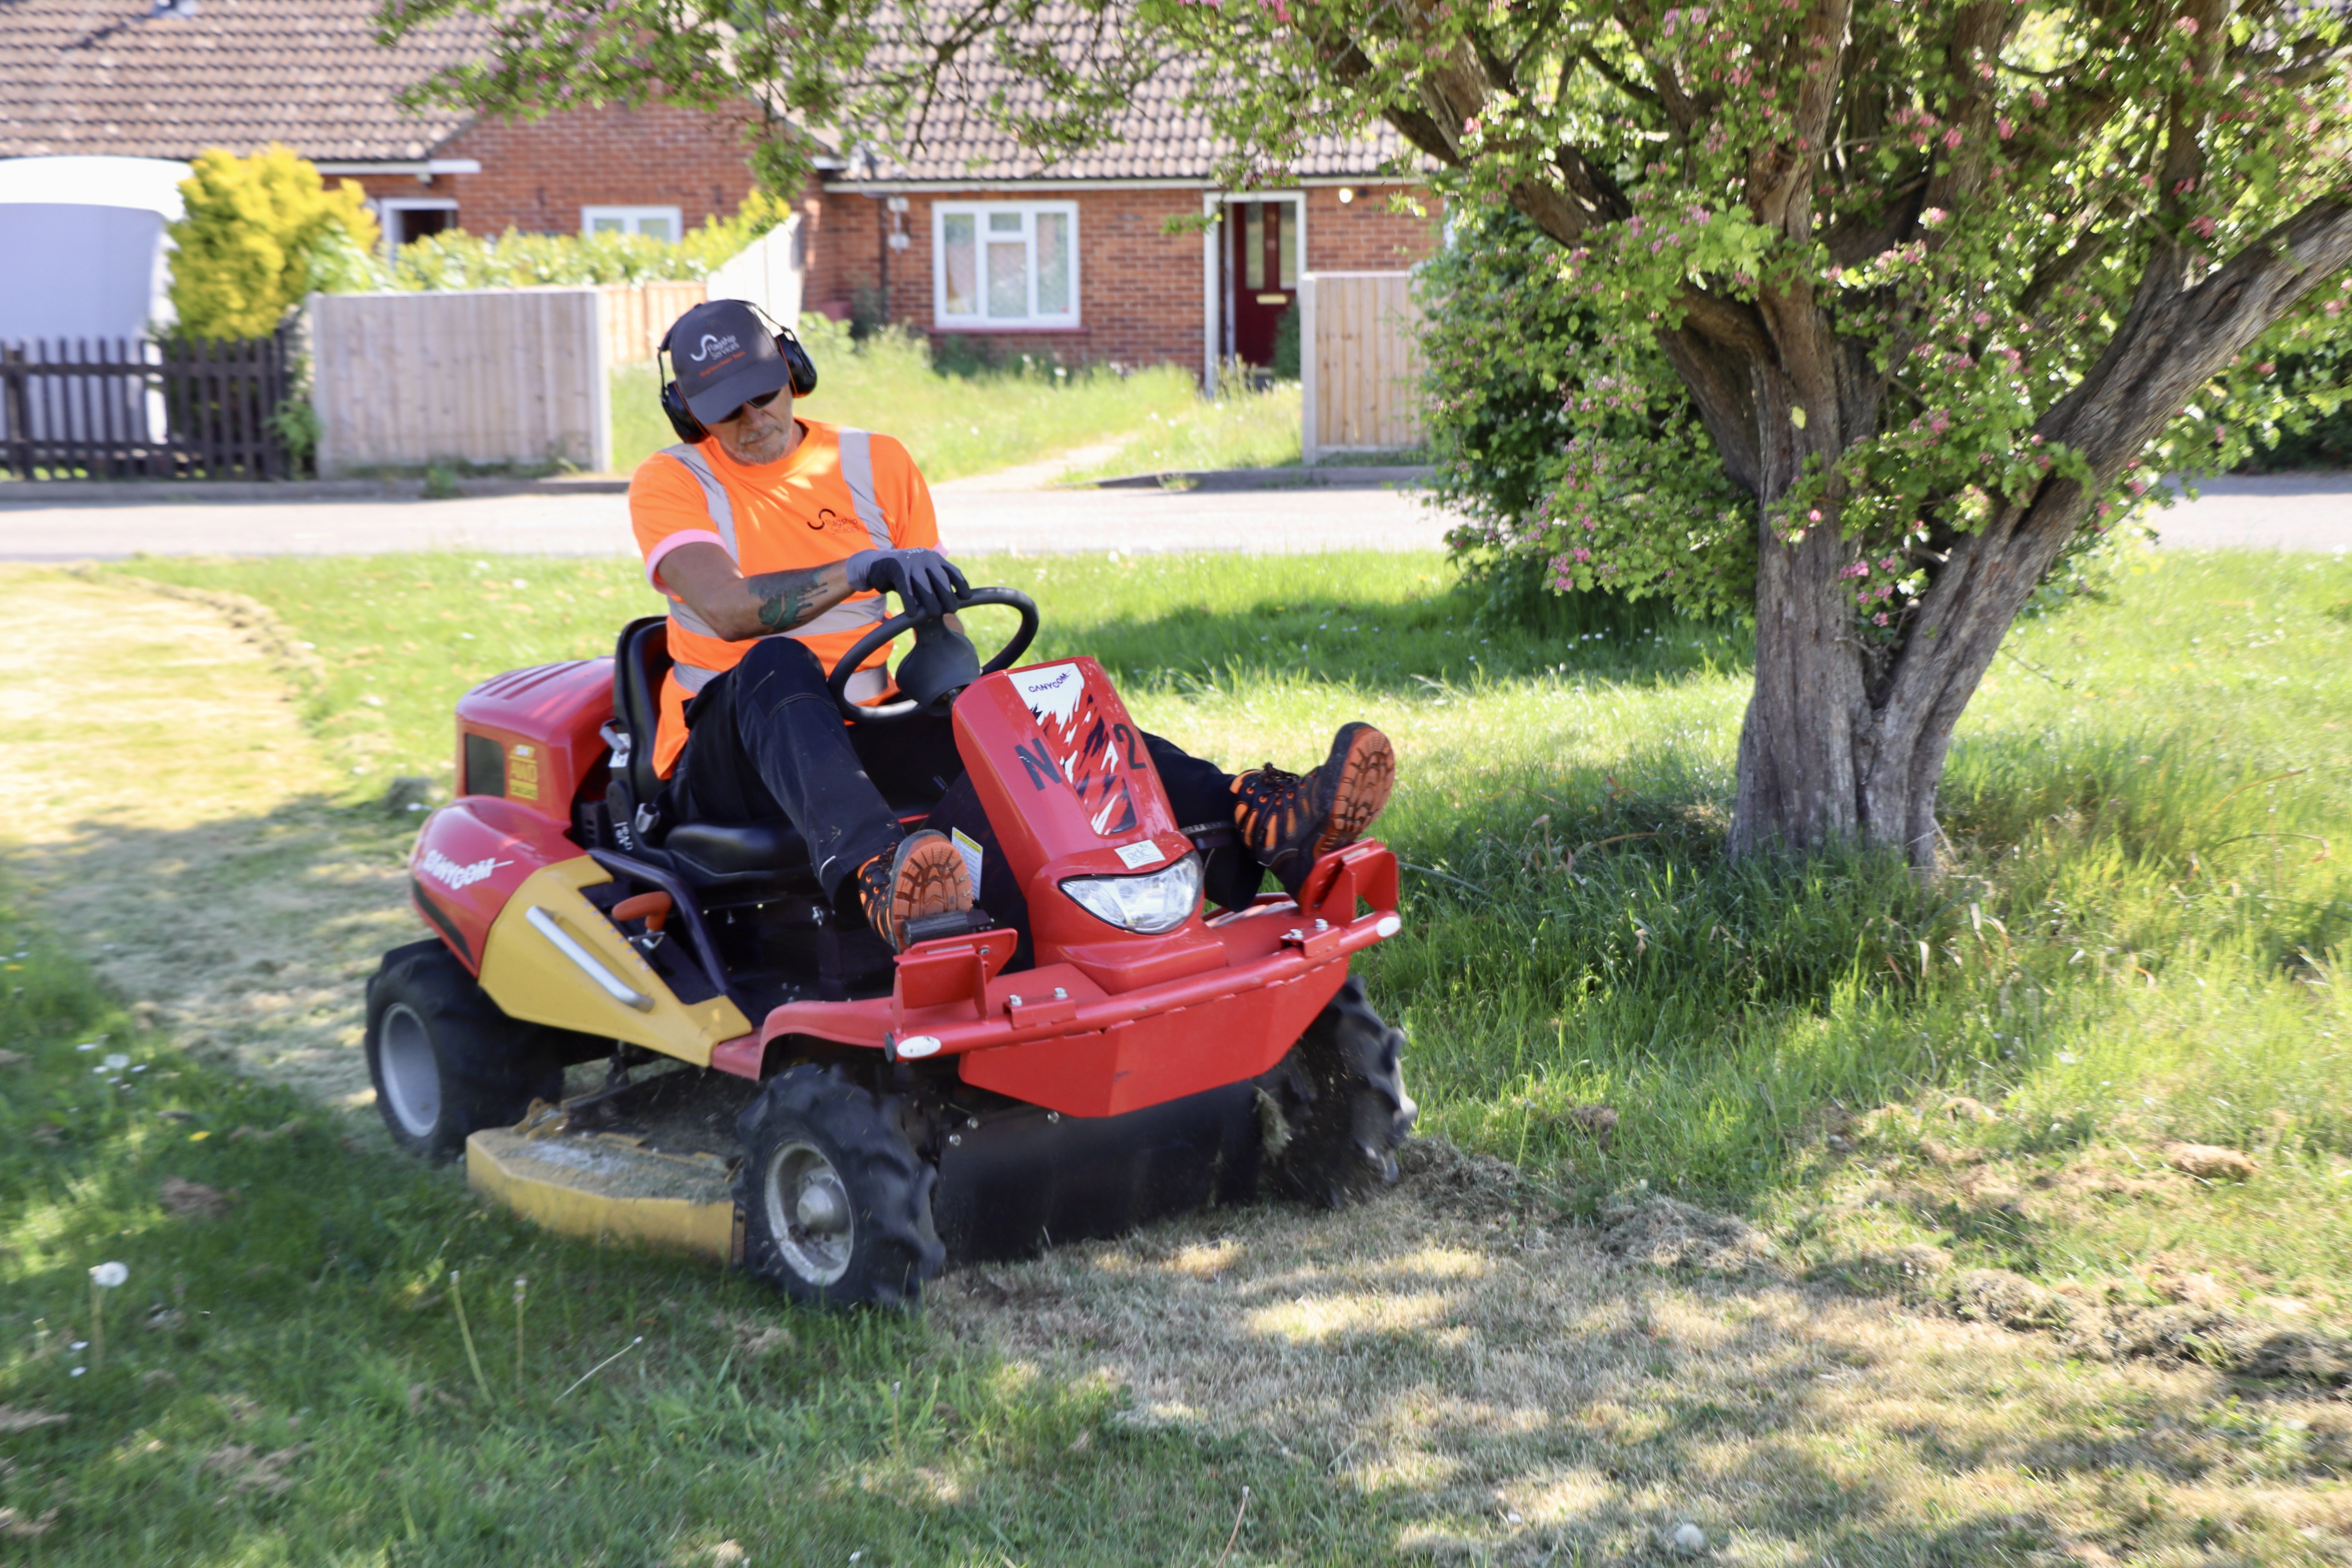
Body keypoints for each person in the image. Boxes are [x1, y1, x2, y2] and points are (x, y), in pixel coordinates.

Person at [629, 299, 1396, 949]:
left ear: (792, 371)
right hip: (725, 763)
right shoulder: (673, 480)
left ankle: (1258, 819)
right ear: (688, 413)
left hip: (858, 731)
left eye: (762, 393)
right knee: (776, 660)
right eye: (723, 409)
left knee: (1032, 702)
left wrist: (952, 667)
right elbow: (730, 611)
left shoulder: (874, 463)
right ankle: (880, 876)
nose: (751, 417)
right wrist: (865, 567)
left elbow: (936, 635)